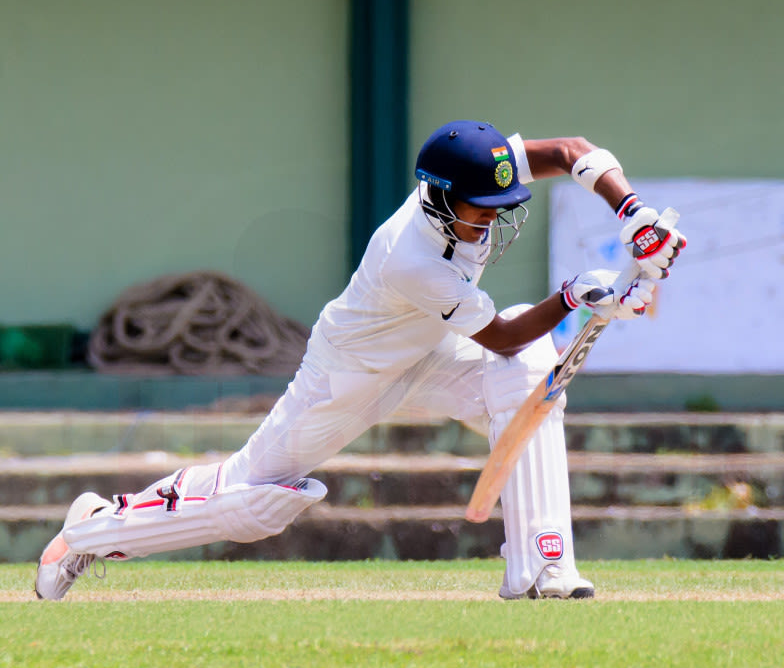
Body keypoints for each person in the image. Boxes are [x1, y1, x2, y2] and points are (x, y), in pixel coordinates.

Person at [35, 120, 686, 601]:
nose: (491, 222)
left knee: (529, 379)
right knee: (252, 505)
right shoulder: (413, 258)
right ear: (438, 198)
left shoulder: (474, 179)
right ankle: (92, 530)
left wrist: (632, 213)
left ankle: (543, 565)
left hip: (430, 349)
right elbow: (502, 336)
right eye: (479, 211)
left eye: (500, 207)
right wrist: (578, 295)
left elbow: (573, 152)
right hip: (349, 374)